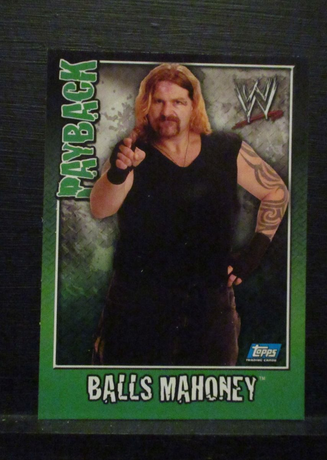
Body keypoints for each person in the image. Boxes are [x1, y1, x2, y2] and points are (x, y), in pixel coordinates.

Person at [90, 63, 288, 366]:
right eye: (158, 101)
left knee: (211, 395)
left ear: (193, 106)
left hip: (210, 310)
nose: (167, 111)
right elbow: (100, 208)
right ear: (146, 106)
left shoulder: (226, 149)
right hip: (137, 307)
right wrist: (119, 173)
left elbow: (275, 191)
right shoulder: (132, 152)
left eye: (178, 102)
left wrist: (255, 252)